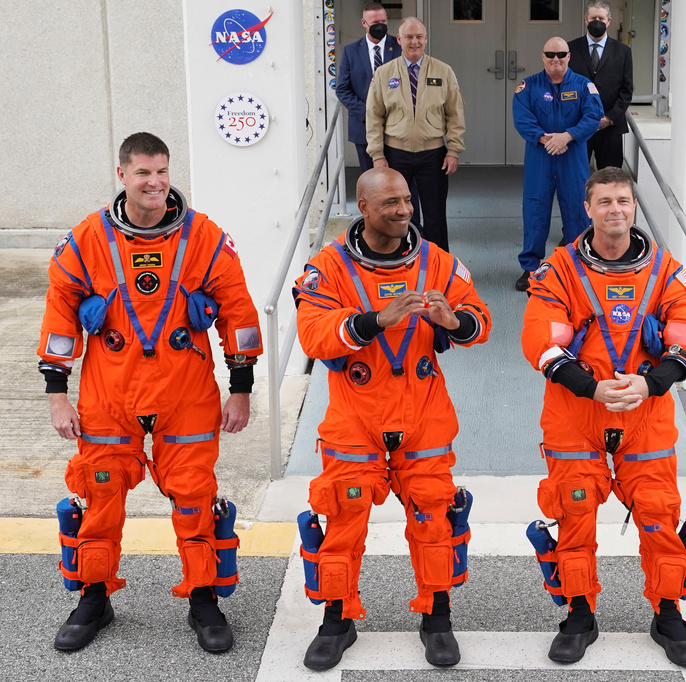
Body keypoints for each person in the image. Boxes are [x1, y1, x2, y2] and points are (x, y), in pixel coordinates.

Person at [39, 132, 263, 654]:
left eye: (161, 172)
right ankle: (94, 596)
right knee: (100, 495)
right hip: (108, 393)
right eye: (143, 173)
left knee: (193, 495)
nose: (154, 183)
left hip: (185, 391)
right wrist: (56, 394)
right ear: (122, 175)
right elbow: (59, 318)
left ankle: (203, 597)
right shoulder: (87, 240)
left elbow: (238, 313)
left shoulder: (204, 237)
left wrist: (242, 389)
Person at [293, 167, 491, 670]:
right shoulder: (329, 267)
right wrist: (374, 320)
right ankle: (337, 621)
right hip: (356, 415)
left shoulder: (437, 262)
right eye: (391, 203)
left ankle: (437, 616)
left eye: (406, 200)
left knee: (434, 516)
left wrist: (454, 321)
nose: (404, 210)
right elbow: (314, 335)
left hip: (422, 411)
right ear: (363, 206)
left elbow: (481, 320)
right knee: (342, 516)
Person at [521, 167, 686, 667]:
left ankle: (668, 615)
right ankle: (579, 615)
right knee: (574, 513)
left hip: (646, 411)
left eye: (623, 200)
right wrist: (592, 387)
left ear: (634, 206)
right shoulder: (557, 271)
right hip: (576, 412)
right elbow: (540, 341)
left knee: (658, 512)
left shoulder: (667, 272)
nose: (615, 210)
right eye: (604, 202)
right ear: (588, 209)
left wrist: (650, 383)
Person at [366, 17, 465, 252]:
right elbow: (373, 116)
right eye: (409, 37)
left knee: (435, 214)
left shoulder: (443, 71)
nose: (414, 42)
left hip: (433, 155)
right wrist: (377, 155)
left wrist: (453, 150)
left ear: (426, 39)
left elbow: (455, 114)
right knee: (395, 213)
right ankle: (398, 261)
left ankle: (438, 266)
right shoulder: (383, 73)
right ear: (399, 40)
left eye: (419, 37)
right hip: (394, 154)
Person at [512, 36, 603, 292]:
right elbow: (522, 118)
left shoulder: (585, 86)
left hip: (572, 157)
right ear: (542, 56)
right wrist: (544, 139)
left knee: (576, 209)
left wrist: (567, 136)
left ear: (569, 56)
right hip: (540, 157)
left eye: (561, 54)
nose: (556, 59)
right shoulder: (528, 86)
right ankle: (530, 268)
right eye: (550, 54)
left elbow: (594, 116)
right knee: (535, 210)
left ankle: (578, 267)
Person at [336, 3, 401, 174]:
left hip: (399, 127)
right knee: (372, 180)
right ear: (364, 23)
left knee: (402, 181)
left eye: (384, 21)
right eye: (375, 22)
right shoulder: (351, 51)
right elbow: (342, 89)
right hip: (363, 128)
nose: (380, 25)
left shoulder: (401, 47)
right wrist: (368, 113)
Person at [568, 1, 634, 170]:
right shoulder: (570, 49)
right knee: (575, 176)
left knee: (609, 178)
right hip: (578, 126)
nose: (597, 21)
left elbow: (626, 91)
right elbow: (564, 86)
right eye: (593, 18)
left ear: (609, 21)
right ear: (585, 19)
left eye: (601, 18)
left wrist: (609, 118)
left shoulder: (623, 51)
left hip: (610, 128)